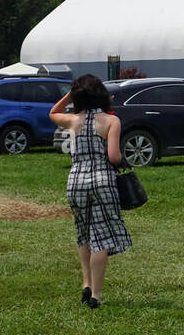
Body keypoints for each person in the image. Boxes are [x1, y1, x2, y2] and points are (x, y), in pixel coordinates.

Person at [49, 74, 129, 310]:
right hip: (102, 180)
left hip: (76, 181)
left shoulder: (74, 120)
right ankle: (96, 294)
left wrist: (69, 96)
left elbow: (52, 113)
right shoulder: (111, 121)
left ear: (79, 97)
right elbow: (114, 157)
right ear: (102, 95)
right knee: (101, 237)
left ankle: (85, 282)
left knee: (83, 233)